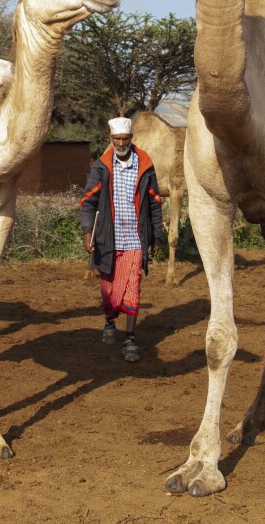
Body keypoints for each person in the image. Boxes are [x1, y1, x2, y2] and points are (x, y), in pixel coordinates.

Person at [80, 116, 164, 362]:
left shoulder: (144, 166)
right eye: (116, 139)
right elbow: (88, 201)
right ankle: (109, 320)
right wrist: (88, 231)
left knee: (133, 288)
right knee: (109, 291)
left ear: (131, 139)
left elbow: (154, 202)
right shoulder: (102, 167)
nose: (120, 143)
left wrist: (156, 236)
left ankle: (130, 339)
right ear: (111, 139)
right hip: (108, 239)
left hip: (135, 240)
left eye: (125, 138)